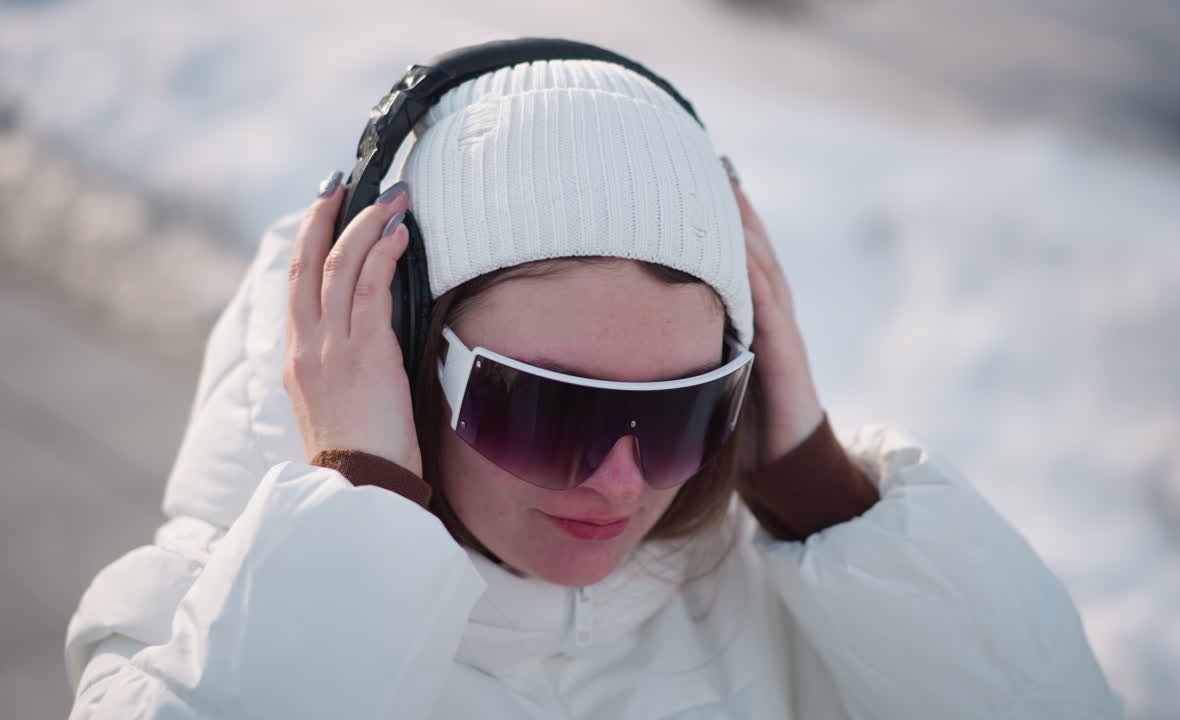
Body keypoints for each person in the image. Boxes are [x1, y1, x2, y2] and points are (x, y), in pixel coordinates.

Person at [63, 51, 1122, 719]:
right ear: (394, 351)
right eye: (543, 404)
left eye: (681, 408)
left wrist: (822, 496)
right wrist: (362, 513)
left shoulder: (808, 609)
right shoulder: (187, 629)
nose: (619, 482)